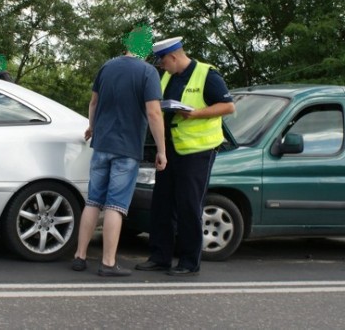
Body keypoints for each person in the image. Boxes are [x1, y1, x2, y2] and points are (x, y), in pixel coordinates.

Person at [136, 36, 235, 276]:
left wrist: (197, 113)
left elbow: (228, 107)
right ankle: (160, 257)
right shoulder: (169, 75)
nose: (161, 67)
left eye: (162, 62)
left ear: (173, 57)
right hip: (171, 148)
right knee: (162, 204)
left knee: (189, 206)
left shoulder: (207, 74)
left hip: (197, 152)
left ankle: (190, 262)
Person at [72, 46, 167, 277]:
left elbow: (93, 102)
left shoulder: (107, 66)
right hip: (127, 148)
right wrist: (161, 150)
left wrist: (92, 127)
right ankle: (108, 262)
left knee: (93, 201)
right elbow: (154, 113)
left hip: (102, 144)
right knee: (116, 205)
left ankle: (80, 256)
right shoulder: (148, 72)